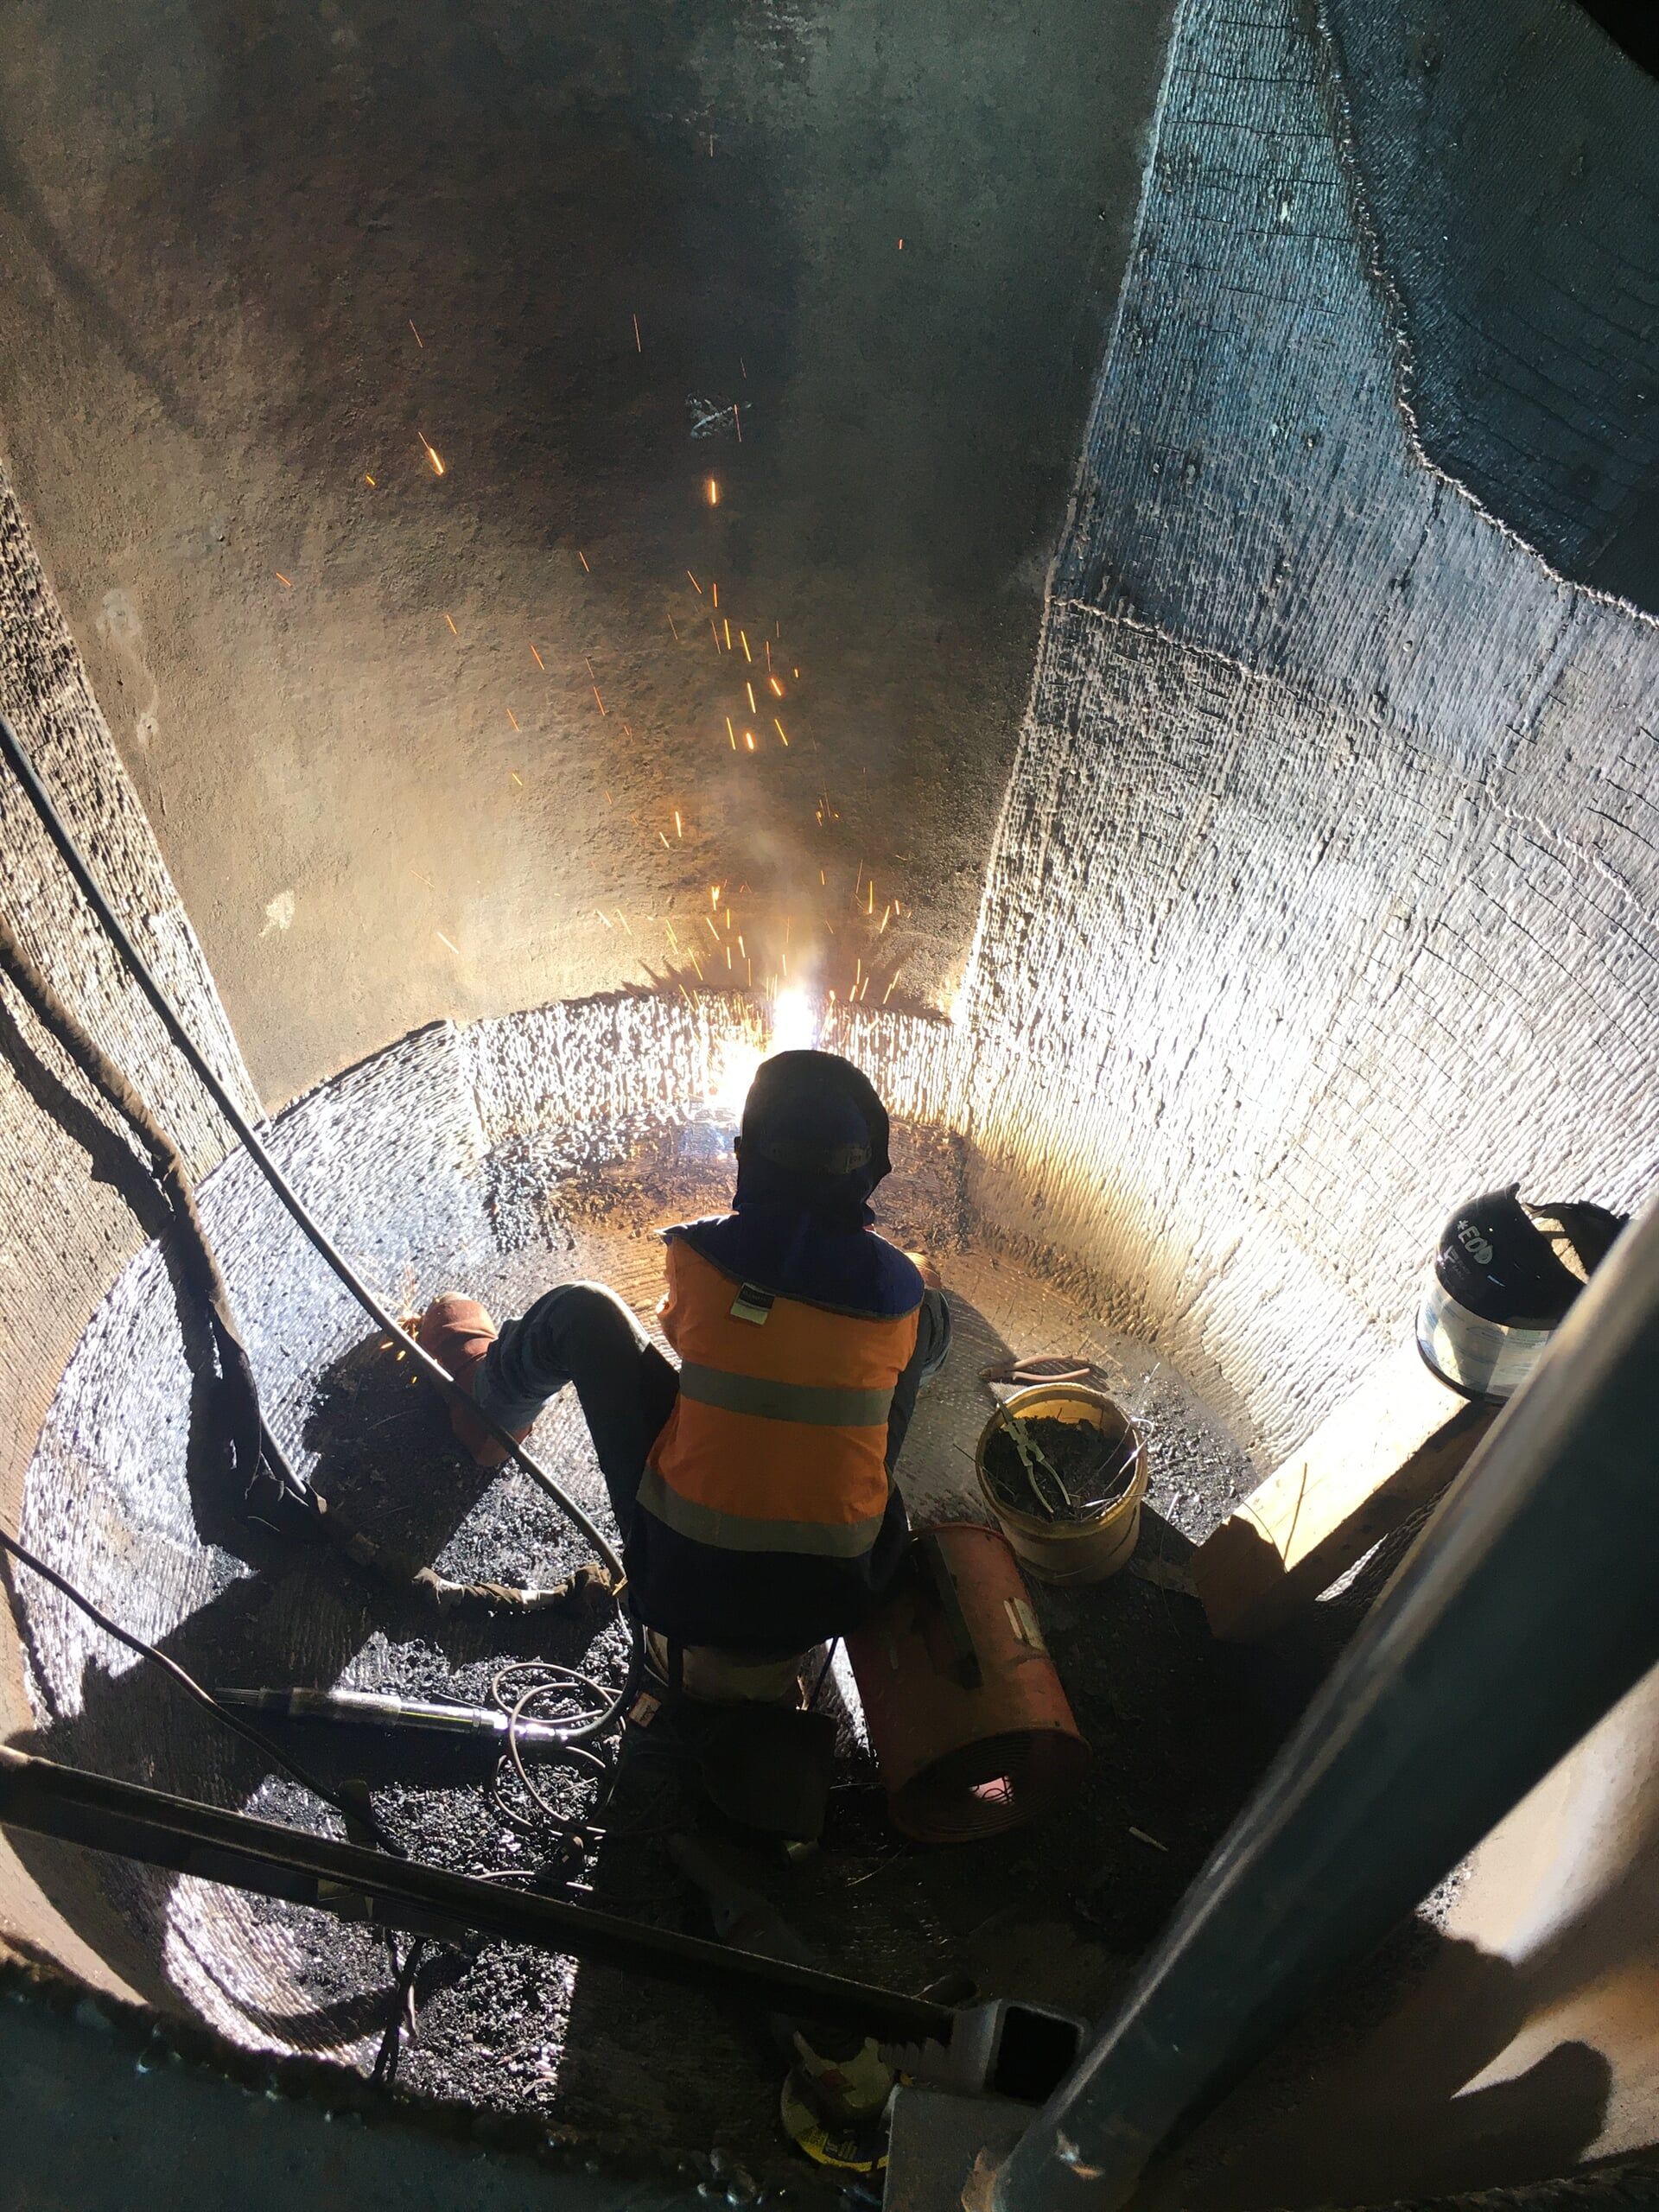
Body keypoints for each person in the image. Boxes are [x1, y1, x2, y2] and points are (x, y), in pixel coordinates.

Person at [416, 1049, 950, 1657]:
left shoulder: (699, 1256)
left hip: (682, 1582)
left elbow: (696, 1335)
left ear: (749, 1156)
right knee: (918, 1324)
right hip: (841, 1597)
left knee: (584, 1311)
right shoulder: (900, 1292)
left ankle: (487, 1412)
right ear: (865, 1170)